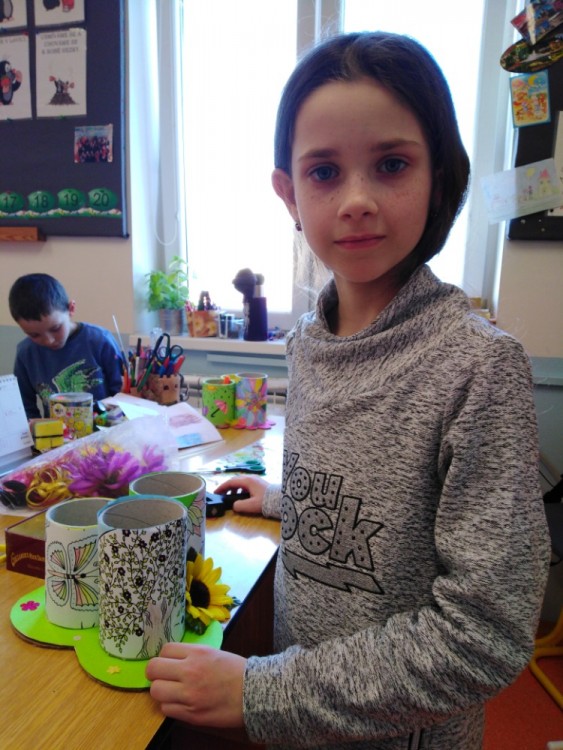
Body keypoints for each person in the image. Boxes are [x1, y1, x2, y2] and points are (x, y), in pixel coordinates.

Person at [146, 32, 550, 749]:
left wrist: (261, 690)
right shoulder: (308, 342)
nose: (357, 200)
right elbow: (367, 511)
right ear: (289, 194)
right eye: (324, 171)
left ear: (440, 176)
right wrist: (283, 499)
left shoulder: (478, 367)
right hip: (302, 726)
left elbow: (483, 636)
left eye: (391, 164)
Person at [9, 273, 123, 418]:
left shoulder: (100, 341)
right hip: (56, 431)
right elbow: (23, 406)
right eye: (35, 335)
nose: (49, 340)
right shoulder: (25, 353)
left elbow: (122, 395)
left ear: (71, 309)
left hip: (107, 429)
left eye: (55, 328)